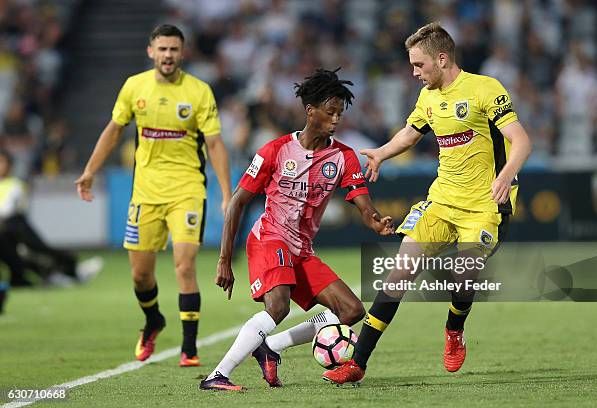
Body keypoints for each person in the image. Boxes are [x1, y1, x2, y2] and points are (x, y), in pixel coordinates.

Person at [323, 22, 532, 385]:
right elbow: (410, 132)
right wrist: (382, 154)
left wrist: (506, 174)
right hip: (441, 202)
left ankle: (454, 328)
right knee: (399, 273)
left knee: (463, 274)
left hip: (484, 205)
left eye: (419, 65)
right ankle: (357, 363)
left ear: (441, 57)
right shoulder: (429, 97)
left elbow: (521, 140)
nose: (414, 73)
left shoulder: (485, 89)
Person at [199, 68, 394, 391]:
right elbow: (237, 202)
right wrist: (224, 259)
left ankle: (271, 346)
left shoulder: (343, 157)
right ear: (310, 111)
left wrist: (376, 220)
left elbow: (363, 202)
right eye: (330, 112)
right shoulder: (274, 151)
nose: (335, 120)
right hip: (269, 237)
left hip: (301, 250)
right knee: (278, 306)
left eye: (339, 114)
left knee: (351, 310)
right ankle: (218, 374)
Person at [75, 24, 232, 367]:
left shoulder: (199, 91)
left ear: (182, 52)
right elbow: (113, 131)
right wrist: (89, 171)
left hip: (188, 190)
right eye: (162, 49)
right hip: (145, 192)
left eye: (174, 49)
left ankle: (189, 349)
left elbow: (215, 144)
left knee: (184, 265)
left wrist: (225, 192)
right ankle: (154, 321)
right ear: (151, 51)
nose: (168, 55)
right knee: (140, 275)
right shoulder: (135, 87)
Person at [0, 149, 102, 288]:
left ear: (9, 165)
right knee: (22, 255)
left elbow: (8, 208)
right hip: (7, 232)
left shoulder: (15, 184)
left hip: (13, 227)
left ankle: (71, 270)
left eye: (2, 162)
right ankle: (56, 274)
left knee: (39, 250)